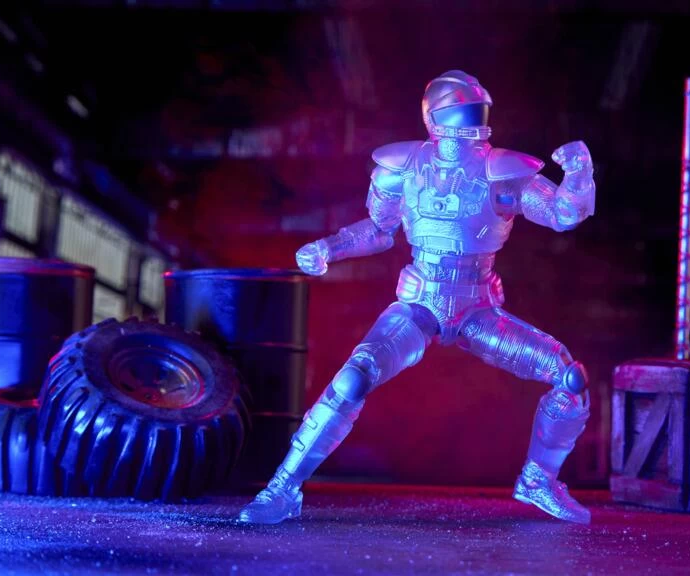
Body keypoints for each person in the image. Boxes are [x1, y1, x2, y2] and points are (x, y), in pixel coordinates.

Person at [238, 70, 596, 525]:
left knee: (568, 378)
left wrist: (579, 173)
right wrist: (329, 248)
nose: (471, 121)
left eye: (477, 111)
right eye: (462, 111)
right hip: (420, 303)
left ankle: (539, 480)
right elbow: (378, 229)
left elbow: (564, 213)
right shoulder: (402, 168)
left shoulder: (503, 174)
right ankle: (282, 487)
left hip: (478, 309)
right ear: (435, 116)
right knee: (353, 379)